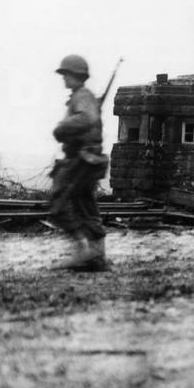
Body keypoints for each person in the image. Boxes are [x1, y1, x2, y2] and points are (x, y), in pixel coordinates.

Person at [49, 55, 109, 271]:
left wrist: (62, 127)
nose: (63, 78)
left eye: (66, 74)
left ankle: (85, 249)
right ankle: (96, 257)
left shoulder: (82, 96)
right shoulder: (82, 96)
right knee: (86, 207)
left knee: (58, 205)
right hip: (86, 159)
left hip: (81, 160)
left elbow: (86, 118)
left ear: (75, 75)